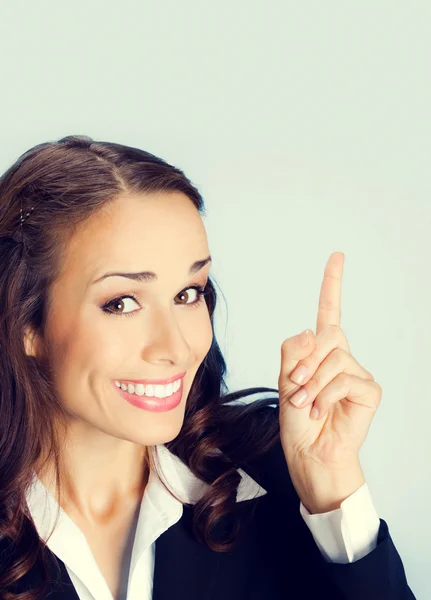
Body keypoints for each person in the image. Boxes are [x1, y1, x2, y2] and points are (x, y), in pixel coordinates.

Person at [0, 135, 416, 600]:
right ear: (25, 323)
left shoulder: (273, 478)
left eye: (188, 294)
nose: (176, 345)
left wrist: (335, 491)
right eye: (121, 302)